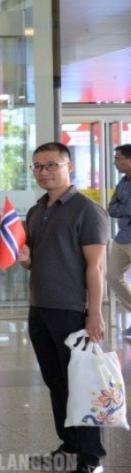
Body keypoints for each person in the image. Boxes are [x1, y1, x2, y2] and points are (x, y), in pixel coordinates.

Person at [17, 142, 108, 473]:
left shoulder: (87, 210)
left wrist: (94, 314)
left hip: (73, 311)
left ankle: (91, 457)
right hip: (40, 309)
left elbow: (96, 267)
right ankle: (69, 445)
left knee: (81, 385)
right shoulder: (37, 209)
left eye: (52, 165)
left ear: (69, 166)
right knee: (56, 382)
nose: (44, 171)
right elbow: (34, 262)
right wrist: (25, 259)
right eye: (38, 166)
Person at [106, 144, 131, 337]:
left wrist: (122, 208)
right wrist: (122, 208)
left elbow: (123, 208)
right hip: (122, 237)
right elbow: (112, 207)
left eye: (117, 158)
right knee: (112, 275)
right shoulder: (123, 182)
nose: (115, 163)